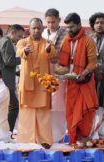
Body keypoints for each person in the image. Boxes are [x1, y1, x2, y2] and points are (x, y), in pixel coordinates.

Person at [57, 13, 98, 144]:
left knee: (85, 113)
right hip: (71, 83)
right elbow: (62, 64)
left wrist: (83, 73)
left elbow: (93, 63)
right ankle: (74, 141)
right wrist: (58, 71)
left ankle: (84, 140)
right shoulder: (65, 40)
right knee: (71, 112)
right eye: (67, 27)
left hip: (85, 82)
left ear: (79, 25)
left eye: (72, 27)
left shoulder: (88, 40)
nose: (69, 30)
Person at [16, 18, 58, 148]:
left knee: (43, 112)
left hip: (42, 83)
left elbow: (54, 55)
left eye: (39, 28)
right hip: (27, 82)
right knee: (26, 112)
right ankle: (26, 141)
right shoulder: (22, 42)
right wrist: (25, 51)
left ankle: (44, 140)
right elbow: (18, 52)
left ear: (42, 28)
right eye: (34, 28)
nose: (36, 30)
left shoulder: (48, 42)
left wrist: (49, 50)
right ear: (29, 28)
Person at [0, 24, 25, 135]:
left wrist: (15, 72)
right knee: (14, 106)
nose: (19, 39)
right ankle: (8, 132)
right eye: (19, 36)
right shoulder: (6, 42)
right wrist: (24, 57)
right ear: (13, 33)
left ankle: (3, 132)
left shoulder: (0, 42)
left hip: (1, 79)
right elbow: (9, 61)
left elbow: (3, 63)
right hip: (4, 81)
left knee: (3, 109)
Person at [42, 8, 68, 143]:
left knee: (59, 106)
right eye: (48, 22)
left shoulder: (66, 34)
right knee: (47, 106)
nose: (51, 25)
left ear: (59, 20)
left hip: (60, 74)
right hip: (45, 75)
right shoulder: (42, 33)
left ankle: (59, 137)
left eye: (53, 22)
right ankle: (47, 136)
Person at [89, 12, 104, 139]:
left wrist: (103, 67)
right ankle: (92, 133)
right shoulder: (89, 37)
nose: (99, 25)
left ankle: (103, 133)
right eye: (96, 22)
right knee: (93, 103)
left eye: (102, 22)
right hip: (91, 75)